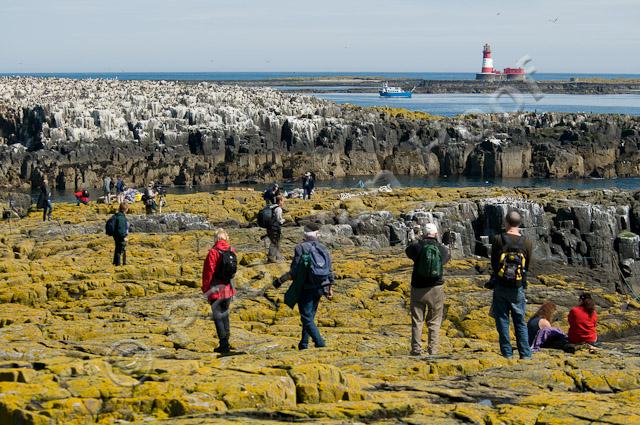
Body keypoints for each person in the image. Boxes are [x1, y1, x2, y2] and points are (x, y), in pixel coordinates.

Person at [273, 223, 334, 350]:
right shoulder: (323, 248)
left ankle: (320, 343)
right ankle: (304, 344)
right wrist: (329, 288)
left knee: (306, 318)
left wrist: (280, 280)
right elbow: (329, 270)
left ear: (304, 234)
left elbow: (295, 271)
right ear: (317, 234)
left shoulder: (300, 248)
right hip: (320, 287)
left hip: (306, 288)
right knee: (310, 317)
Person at [490, 211, 534, 359]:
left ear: (505, 222)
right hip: (518, 286)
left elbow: (494, 262)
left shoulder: (498, 239)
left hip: (501, 285)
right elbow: (527, 265)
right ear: (520, 223)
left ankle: (507, 353)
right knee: (520, 321)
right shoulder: (527, 242)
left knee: (502, 320)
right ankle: (525, 354)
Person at [404, 223, 450, 356]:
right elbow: (446, 258)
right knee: (435, 321)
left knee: (417, 320)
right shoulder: (441, 248)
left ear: (424, 233)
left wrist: (415, 239)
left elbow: (408, 251)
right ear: (436, 234)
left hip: (418, 288)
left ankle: (416, 349)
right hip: (436, 288)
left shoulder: (417, 246)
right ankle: (433, 350)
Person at [201, 229, 238, 354]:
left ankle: (224, 344)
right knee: (225, 314)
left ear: (216, 238)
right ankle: (226, 340)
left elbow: (208, 272)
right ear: (226, 238)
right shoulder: (231, 250)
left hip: (216, 289)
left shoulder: (213, 252)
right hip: (228, 289)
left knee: (218, 317)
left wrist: (206, 290)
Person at [267, 195, 285, 263]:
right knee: (274, 242)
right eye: (283, 201)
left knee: (275, 242)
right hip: (274, 228)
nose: (283, 203)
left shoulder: (272, 206)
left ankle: (277, 256)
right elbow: (278, 219)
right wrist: (283, 220)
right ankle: (271, 258)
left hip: (269, 227)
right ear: (280, 201)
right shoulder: (278, 209)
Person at [112, 202, 129, 266]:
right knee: (121, 250)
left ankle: (116, 263)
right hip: (120, 236)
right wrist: (123, 237)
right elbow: (121, 228)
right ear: (126, 209)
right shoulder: (121, 217)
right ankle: (120, 264)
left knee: (118, 249)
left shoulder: (117, 215)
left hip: (116, 236)